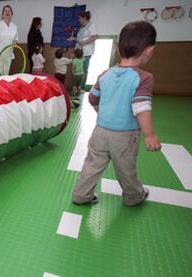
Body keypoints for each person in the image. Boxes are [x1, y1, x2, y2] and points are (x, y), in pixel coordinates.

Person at [72, 21, 161, 206]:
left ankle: (81, 195)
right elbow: (141, 107)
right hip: (125, 136)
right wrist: (150, 134)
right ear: (149, 50)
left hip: (100, 131)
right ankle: (133, 197)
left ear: (119, 50)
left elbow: (93, 99)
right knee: (126, 168)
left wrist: (103, 113)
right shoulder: (144, 78)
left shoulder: (105, 74)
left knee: (92, 165)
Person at [68, 11, 98, 90]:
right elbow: (79, 39)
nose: (79, 20)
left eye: (80, 18)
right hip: (78, 51)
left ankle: (81, 88)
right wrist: (73, 39)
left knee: (83, 71)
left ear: (84, 18)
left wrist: (84, 42)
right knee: (77, 70)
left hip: (86, 52)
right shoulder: (82, 27)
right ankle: (76, 87)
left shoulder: (92, 25)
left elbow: (95, 37)